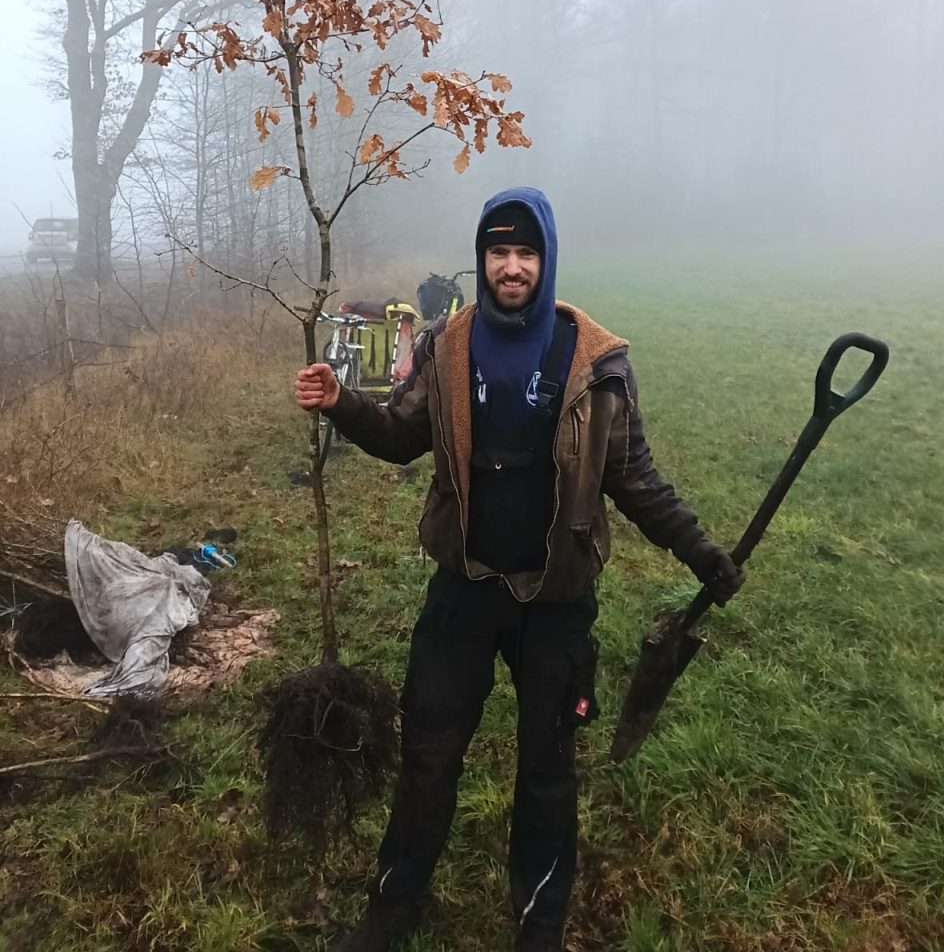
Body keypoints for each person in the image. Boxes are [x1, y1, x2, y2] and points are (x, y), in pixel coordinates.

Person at [294, 187, 743, 952]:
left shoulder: (595, 363)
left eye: (524, 253)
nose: (510, 266)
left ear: (547, 260)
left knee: (545, 766)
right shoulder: (447, 345)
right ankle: (393, 907)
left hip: (555, 599)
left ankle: (538, 919)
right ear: (482, 260)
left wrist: (702, 553)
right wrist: (342, 403)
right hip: (463, 590)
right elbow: (404, 437)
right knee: (428, 753)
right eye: (497, 252)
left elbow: (632, 476)